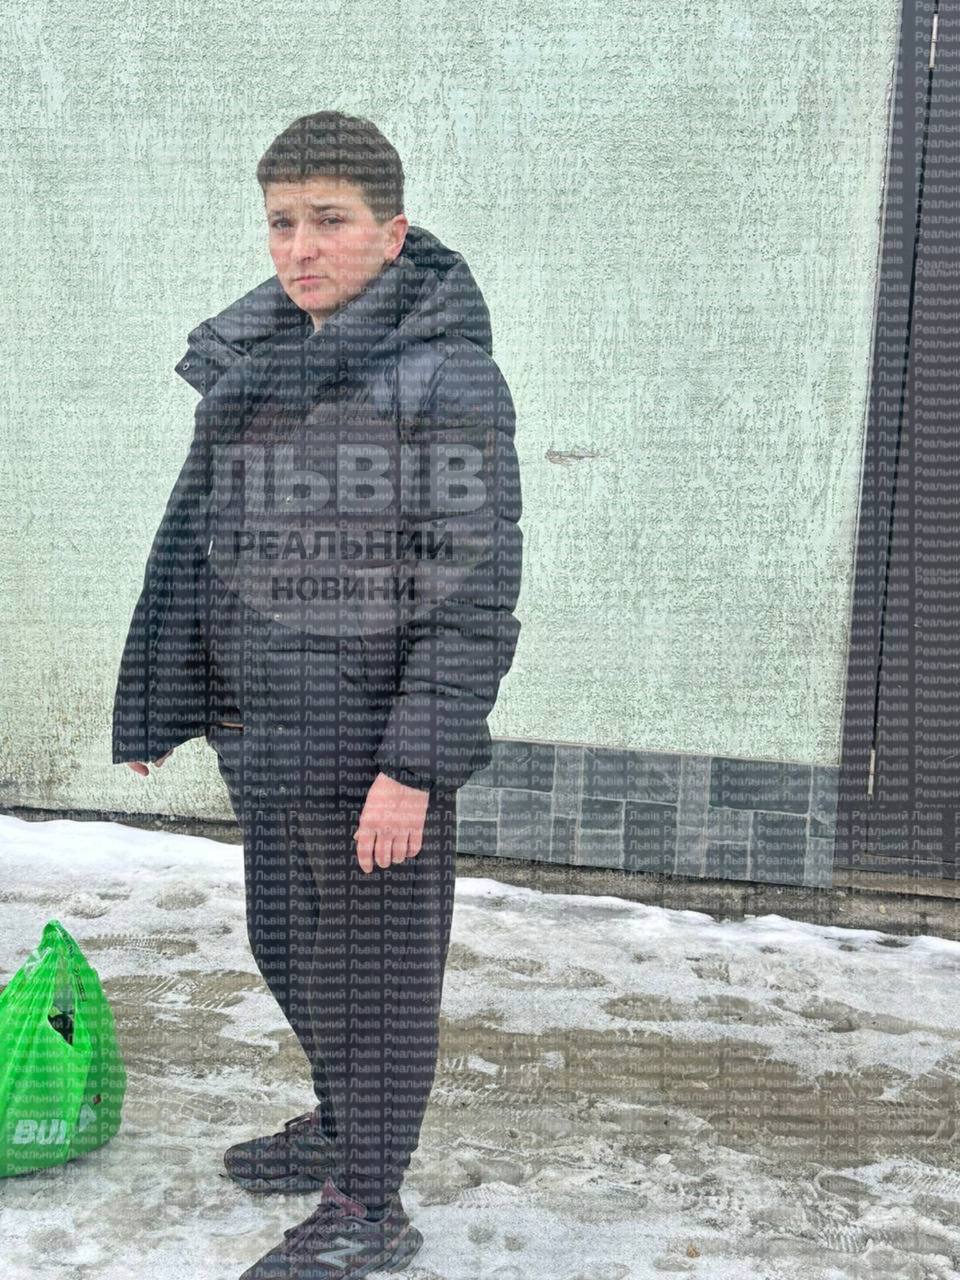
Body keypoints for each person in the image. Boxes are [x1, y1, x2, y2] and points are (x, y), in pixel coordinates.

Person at [111, 111, 523, 1278]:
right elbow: (199, 545)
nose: (300, 247)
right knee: (288, 946)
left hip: (368, 753)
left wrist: (413, 767)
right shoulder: (265, 364)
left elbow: (472, 593)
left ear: (392, 233)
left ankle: (369, 1204)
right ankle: (343, 1126)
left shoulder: (447, 380)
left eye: (329, 221)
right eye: (282, 222)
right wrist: (166, 698)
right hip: (267, 736)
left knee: (374, 986)